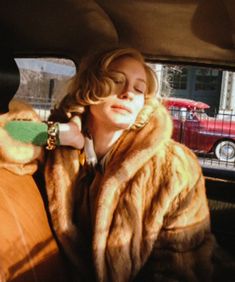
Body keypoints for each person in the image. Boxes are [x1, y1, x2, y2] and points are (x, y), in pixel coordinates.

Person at [1, 47, 235, 282]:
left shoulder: (173, 167)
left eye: (139, 88)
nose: (128, 94)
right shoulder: (61, 151)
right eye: (116, 81)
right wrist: (63, 133)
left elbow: (181, 267)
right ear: (90, 88)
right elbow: (7, 135)